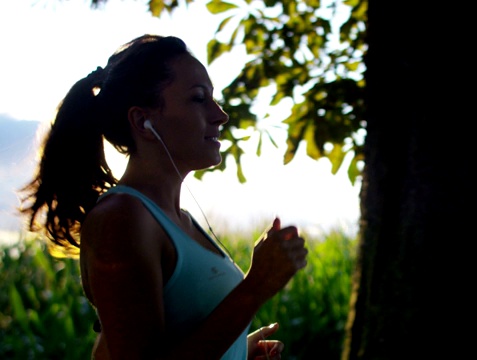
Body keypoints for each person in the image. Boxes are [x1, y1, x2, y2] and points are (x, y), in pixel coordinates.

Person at [19, 34, 308, 360]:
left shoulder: (179, 220)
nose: (220, 115)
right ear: (143, 121)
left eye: (214, 99)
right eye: (199, 99)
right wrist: (255, 288)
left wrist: (240, 349)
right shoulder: (121, 220)